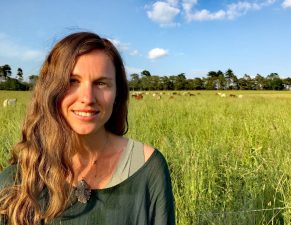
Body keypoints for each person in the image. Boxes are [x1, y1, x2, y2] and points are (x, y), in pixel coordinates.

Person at [0, 32, 175, 225]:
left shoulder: (147, 168)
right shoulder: (17, 182)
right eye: (72, 81)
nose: (87, 98)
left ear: (117, 93)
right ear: (49, 90)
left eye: (101, 83)